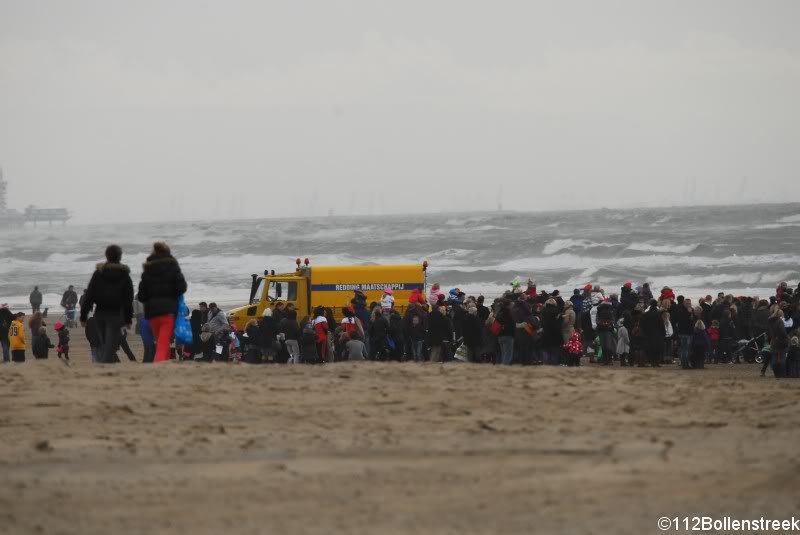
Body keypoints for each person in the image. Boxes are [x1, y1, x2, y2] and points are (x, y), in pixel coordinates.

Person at [79, 245, 134, 364]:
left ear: (107, 256)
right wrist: (128, 319)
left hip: (100, 314)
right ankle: (105, 367)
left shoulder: (98, 273)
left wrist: (83, 316)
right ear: (120, 257)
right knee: (108, 345)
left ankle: (105, 367)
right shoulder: (124, 275)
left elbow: (89, 296)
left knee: (107, 344)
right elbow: (128, 299)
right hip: (115, 314)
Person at [137, 243, 187, 363]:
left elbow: (141, 295)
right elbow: (182, 287)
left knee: (160, 341)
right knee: (163, 343)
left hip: (152, 313)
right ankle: (159, 365)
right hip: (168, 312)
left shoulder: (147, 271)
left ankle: (163, 364)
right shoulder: (173, 268)